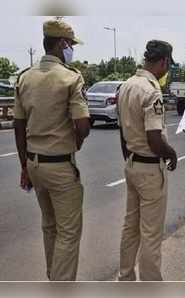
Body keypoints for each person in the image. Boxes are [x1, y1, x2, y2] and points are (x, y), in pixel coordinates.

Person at [13, 19, 90, 281]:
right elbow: (83, 125)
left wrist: (24, 165)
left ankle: (52, 277)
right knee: (68, 231)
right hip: (60, 167)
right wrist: (75, 144)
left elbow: (18, 126)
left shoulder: (25, 77)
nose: (72, 50)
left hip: (35, 165)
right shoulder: (71, 77)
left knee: (50, 227)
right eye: (71, 45)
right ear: (62, 43)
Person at [117, 40, 178, 281]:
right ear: (163, 61)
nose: (167, 70)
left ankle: (125, 279)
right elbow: (154, 139)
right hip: (150, 170)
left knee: (130, 227)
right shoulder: (151, 91)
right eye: (167, 65)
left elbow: (122, 132)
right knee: (151, 234)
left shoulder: (126, 86)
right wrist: (171, 153)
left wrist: (130, 159)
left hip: (132, 164)